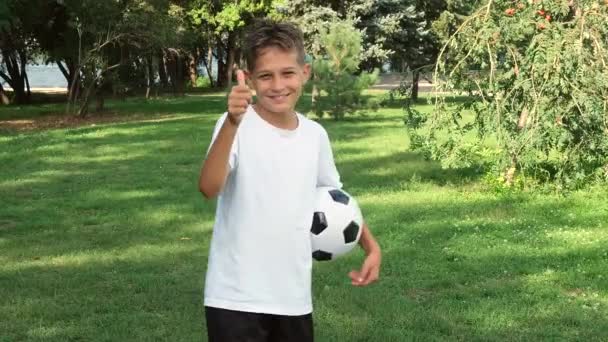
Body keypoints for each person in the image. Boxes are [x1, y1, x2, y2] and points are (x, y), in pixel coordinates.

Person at [198, 19, 382, 342]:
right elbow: (209, 187)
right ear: (251, 79)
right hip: (234, 297)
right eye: (265, 76)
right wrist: (231, 122)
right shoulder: (236, 126)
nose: (278, 85)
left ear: (305, 73)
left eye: (287, 73)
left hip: (293, 298)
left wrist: (370, 246)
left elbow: (335, 199)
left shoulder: (314, 136)